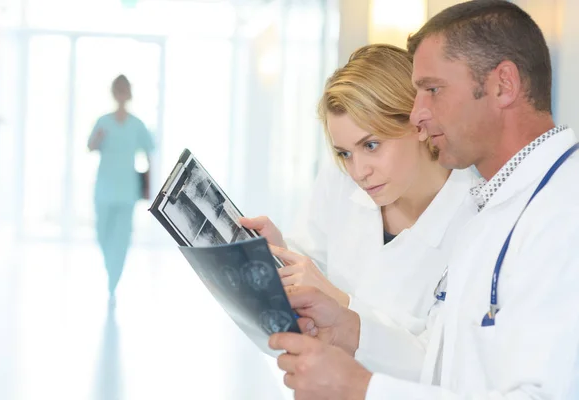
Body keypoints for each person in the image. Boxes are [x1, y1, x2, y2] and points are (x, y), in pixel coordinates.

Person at [269, 1, 579, 398]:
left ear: (503, 84)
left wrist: (361, 389)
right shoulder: (497, 203)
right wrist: (346, 326)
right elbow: (441, 366)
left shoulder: (564, 214)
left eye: (432, 90)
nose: (416, 115)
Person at [241, 45, 477, 376]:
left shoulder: (476, 221)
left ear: (419, 124)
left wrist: (336, 301)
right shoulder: (339, 182)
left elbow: (440, 369)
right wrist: (278, 255)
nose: (358, 171)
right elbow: (312, 265)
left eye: (371, 145)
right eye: (344, 153)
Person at [87, 75, 155, 304]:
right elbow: (90, 147)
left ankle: (114, 279)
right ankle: (110, 268)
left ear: (129, 93)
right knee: (102, 233)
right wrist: (97, 139)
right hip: (105, 186)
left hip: (127, 188)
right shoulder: (103, 121)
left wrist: (150, 185)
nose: (121, 93)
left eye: (125, 89)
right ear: (113, 92)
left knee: (123, 236)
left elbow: (149, 152)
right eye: (118, 89)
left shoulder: (137, 124)